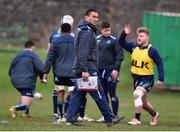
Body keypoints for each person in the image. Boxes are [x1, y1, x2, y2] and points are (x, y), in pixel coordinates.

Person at [66, 8, 123, 127]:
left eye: (97, 17)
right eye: (93, 16)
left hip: (81, 67)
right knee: (99, 92)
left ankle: (71, 118)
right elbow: (82, 53)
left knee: (78, 93)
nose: (96, 19)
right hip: (87, 68)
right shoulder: (87, 32)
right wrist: (85, 70)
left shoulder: (85, 30)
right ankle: (109, 117)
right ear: (86, 17)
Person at [46, 15, 93, 123]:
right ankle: (71, 115)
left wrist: (46, 70)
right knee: (73, 93)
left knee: (60, 92)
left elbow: (50, 53)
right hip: (72, 70)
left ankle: (61, 115)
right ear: (71, 26)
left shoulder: (54, 37)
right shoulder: (75, 37)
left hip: (58, 70)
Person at [119, 24, 164, 125]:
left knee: (136, 94)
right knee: (143, 104)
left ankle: (137, 119)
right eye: (138, 36)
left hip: (147, 79)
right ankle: (154, 114)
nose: (139, 37)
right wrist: (124, 33)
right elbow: (121, 42)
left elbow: (160, 64)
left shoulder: (152, 50)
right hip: (136, 79)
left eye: (141, 36)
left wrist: (161, 78)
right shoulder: (133, 47)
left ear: (147, 37)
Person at [96, 22, 124, 123]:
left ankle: (115, 116)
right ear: (101, 30)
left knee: (112, 93)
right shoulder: (97, 39)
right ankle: (107, 116)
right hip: (99, 71)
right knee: (103, 94)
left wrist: (116, 69)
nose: (107, 32)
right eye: (105, 30)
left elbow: (119, 56)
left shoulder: (114, 40)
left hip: (111, 71)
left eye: (109, 30)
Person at [9, 40, 44, 118]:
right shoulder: (34, 56)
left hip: (15, 81)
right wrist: (42, 78)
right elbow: (41, 69)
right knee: (26, 103)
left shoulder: (18, 56)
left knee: (28, 96)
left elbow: (10, 70)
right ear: (33, 47)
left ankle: (26, 113)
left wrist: (14, 78)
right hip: (27, 81)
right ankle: (14, 108)